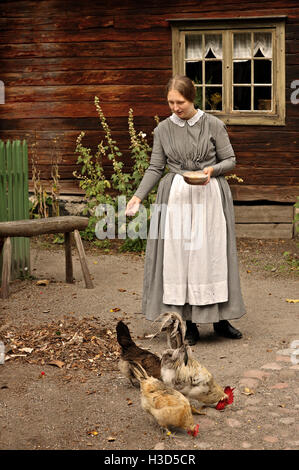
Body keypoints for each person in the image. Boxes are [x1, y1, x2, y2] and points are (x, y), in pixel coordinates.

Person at [125, 75, 246, 345]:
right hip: (176, 199)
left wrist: (212, 170)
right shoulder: (164, 129)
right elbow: (156, 167)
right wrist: (137, 197)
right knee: (181, 260)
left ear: (192, 99)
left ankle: (220, 320)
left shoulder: (213, 124)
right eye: (170, 102)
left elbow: (230, 160)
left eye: (180, 102)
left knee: (211, 257)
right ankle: (187, 324)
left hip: (209, 197)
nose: (175, 107)